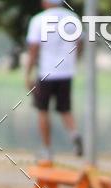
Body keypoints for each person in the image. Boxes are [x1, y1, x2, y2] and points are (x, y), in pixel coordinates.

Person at [25, 0, 84, 160]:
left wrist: (27, 74)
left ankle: (47, 149)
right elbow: (80, 43)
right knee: (65, 109)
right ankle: (74, 134)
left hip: (46, 72)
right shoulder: (72, 18)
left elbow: (33, 50)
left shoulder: (38, 20)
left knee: (43, 110)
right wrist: (74, 60)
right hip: (66, 72)